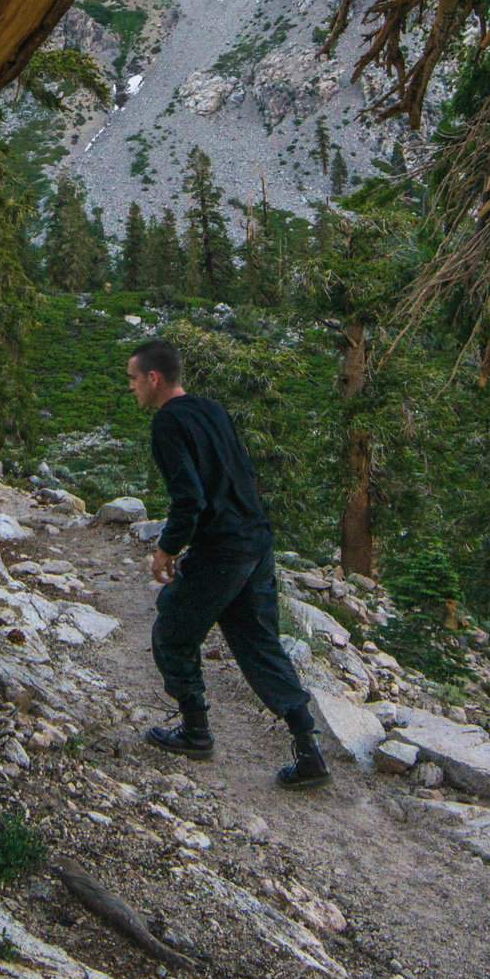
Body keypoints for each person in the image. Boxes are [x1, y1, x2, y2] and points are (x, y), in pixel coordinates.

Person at [125, 337, 329, 791]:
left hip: (222, 549)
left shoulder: (167, 424)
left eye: (134, 380)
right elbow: (243, 474)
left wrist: (168, 549)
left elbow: (189, 498)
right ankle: (308, 750)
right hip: (256, 541)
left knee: (172, 629)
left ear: (154, 378)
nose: (133, 388)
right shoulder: (212, 410)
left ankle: (195, 731)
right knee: (259, 643)